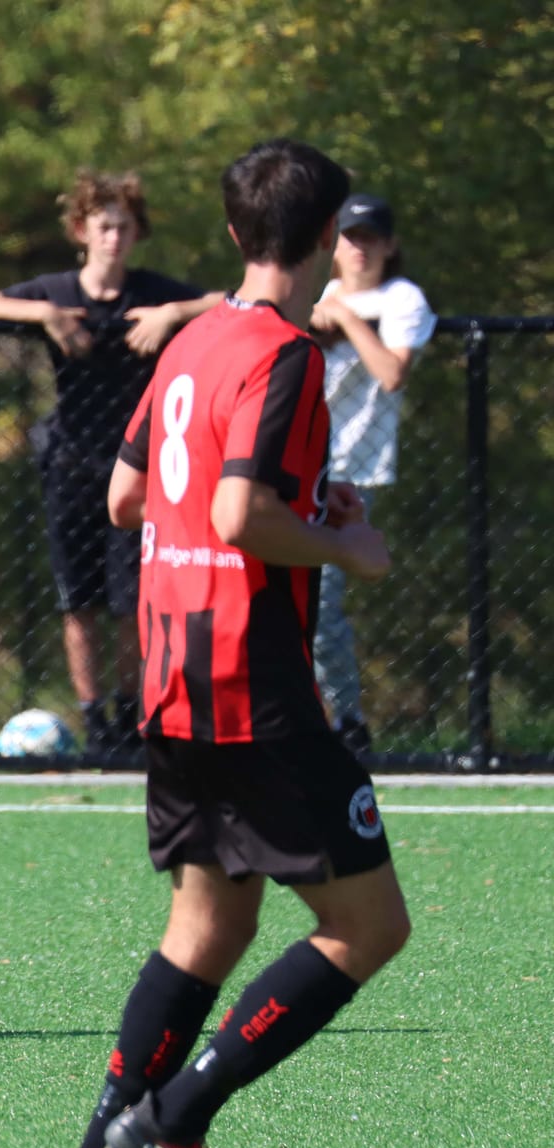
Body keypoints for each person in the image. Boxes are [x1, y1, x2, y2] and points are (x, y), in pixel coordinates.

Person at [46, 140, 410, 1148]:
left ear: (233, 232)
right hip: (253, 683)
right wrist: (349, 552)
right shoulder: (286, 353)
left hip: (169, 677)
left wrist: (310, 504)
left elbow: (123, 499)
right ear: (318, 241)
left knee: (207, 924)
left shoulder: (189, 340)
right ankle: (168, 1119)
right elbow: (238, 515)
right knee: (367, 925)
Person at [0, 171, 221, 756]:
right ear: (82, 230)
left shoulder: (152, 293)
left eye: (124, 227)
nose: (114, 238)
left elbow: (232, 303)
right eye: (103, 226)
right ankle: (92, 717)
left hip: (136, 471)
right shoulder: (56, 291)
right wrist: (44, 317)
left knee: (134, 601)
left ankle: (130, 716)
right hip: (70, 465)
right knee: (78, 600)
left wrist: (171, 313)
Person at [309, 194, 435, 755]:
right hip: (296, 468)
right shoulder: (317, 295)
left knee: (321, 608)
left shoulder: (402, 299)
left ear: (390, 245)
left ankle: (348, 722)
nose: (360, 248)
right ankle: (303, 720)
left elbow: (390, 373)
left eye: (371, 237)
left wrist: (346, 320)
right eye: (350, 236)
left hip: (353, 476)